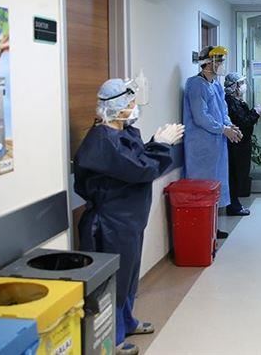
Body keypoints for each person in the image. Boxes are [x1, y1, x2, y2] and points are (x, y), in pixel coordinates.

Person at [74, 79, 184, 355]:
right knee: (113, 282)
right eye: (130, 102)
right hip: (111, 223)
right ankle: (114, 339)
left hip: (129, 220)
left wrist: (155, 144)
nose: (135, 107)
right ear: (116, 107)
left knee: (129, 275)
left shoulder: (124, 132)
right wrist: (161, 145)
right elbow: (140, 169)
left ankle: (127, 321)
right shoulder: (102, 141)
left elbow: (137, 159)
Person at [183, 46, 242, 239]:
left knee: (215, 185)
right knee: (202, 187)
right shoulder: (195, 85)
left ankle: (212, 229)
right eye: (219, 61)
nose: (222, 65)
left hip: (217, 144)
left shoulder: (215, 85)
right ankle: (201, 230)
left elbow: (222, 111)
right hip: (201, 146)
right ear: (208, 63)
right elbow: (201, 117)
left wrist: (230, 126)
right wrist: (222, 129)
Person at [224, 72, 261, 216]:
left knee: (240, 174)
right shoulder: (230, 101)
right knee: (235, 175)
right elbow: (243, 122)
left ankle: (235, 203)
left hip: (242, 143)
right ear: (234, 86)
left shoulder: (237, 101)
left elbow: (244, 118)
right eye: (241, 83)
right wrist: (255, 112)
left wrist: (256, 111)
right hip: (236, 144)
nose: (244, 86)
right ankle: (233, 205)